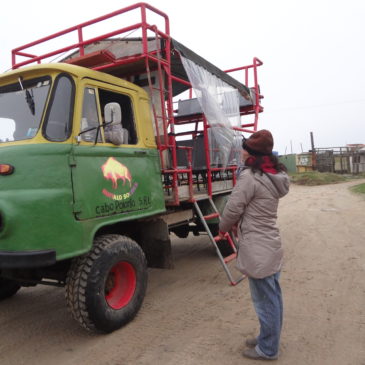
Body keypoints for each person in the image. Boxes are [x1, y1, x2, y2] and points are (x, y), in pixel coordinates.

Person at [218, 129, 290, 360]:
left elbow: (233, 207)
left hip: (258, 247)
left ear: (252, 154)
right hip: (269, 243)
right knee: (272, 296)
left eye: (244, 148)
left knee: (265, 300)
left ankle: (268, 349)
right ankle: (267, 338)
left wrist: (222, 227)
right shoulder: (271, 173)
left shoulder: (250, 176)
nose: (240, 151)